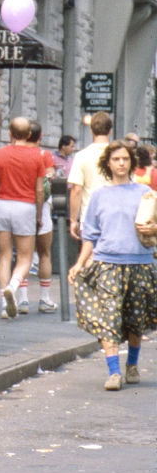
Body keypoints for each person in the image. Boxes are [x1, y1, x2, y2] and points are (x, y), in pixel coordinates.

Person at [68, 140, 157, 391]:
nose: (121, 163)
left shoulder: (145, 193)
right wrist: (79, 264)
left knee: (135, 321)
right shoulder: (99, 196)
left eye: (125, 159)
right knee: (110, 318)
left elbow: (154, 226)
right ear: (108, 163)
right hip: (107, 264)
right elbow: (91, 236)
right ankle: (114, 372)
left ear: (132, 163)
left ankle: (132, 364)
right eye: (116, 159)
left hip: (139, 263)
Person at [0, 117, 46, 319]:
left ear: (9, 133)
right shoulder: (37, 157)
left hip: (2, 205)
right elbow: (39, 190)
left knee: (4, 256)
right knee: (25, 257)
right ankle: (14, 285)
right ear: (29, 135)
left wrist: (1, 187)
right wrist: (38, 215)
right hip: (25, 206)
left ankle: (4, 303)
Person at [18, 120, 58, 314]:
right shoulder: (44, 155)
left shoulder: (18, 154)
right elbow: (50, 175)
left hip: (21, 206)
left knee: (23, 255)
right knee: (44, 254)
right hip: (41, 208)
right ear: (40, 137)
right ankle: (44, 298)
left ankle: (23, 299)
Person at [69, 111, 113, 239]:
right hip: (114, 216)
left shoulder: (81, 156)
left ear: (91, 131)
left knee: (89, 256)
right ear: (110, 131)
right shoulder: (120, 156)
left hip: (89, 216)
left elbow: (76, 190)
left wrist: (73, 220)